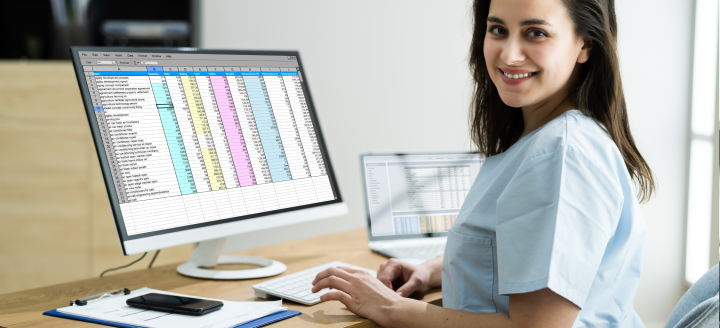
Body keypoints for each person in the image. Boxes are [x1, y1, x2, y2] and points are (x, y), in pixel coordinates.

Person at [311, 0, 655, 326]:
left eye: (536, 33)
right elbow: (520, 253)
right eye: (498, 30)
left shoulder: (560, 154)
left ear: (585, 45)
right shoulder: (551, 139)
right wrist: (433, 270)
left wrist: (389, 307)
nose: (509, 54)